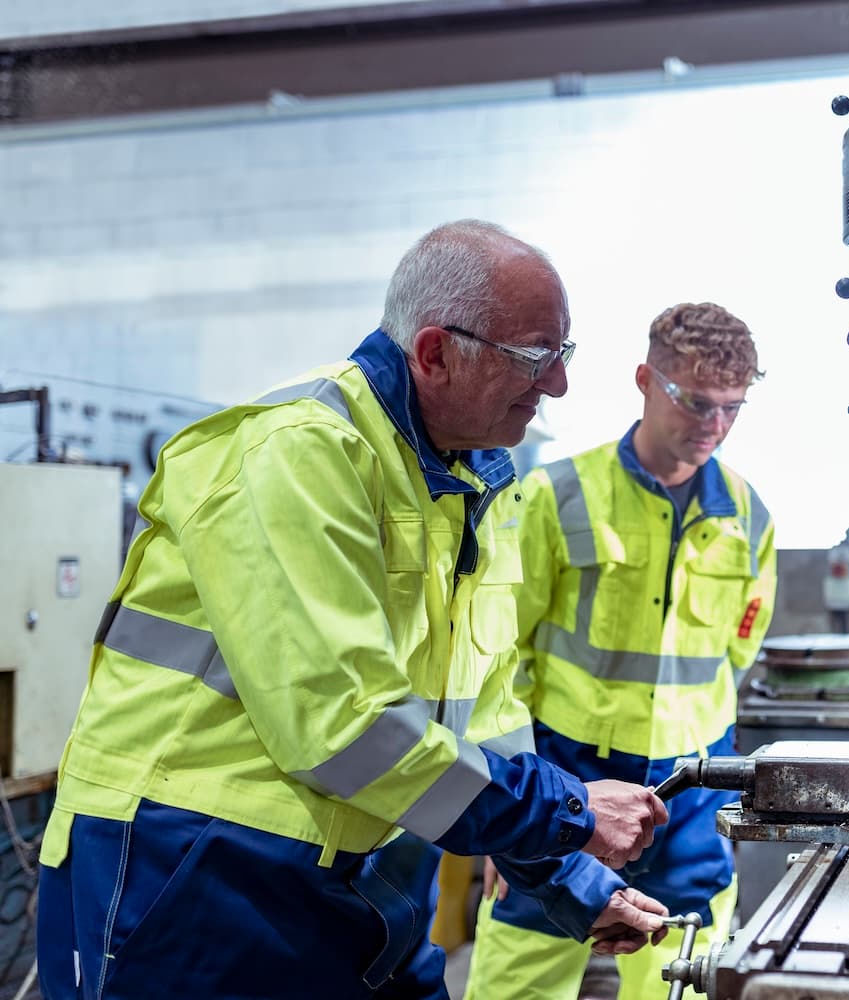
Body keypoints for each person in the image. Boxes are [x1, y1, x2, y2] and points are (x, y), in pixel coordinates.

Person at [36, 220, 671, 1000]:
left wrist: (567, 875)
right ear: (435, 353)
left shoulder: (470, 484)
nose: (559, 385)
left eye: (562, 353)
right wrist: (568, 812)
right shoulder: (300, 450)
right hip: (193, 870)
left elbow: (481, 716)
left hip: (361, 873)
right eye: (535, 357)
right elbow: (343, 727)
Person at [464, 302, 777, 1000]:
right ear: (644, 380)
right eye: (695, 402)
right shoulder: (555, 497)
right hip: (563, 783)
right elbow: (496, 658)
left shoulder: (749, 516)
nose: (714, 425)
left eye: (732, 407)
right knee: (519, 982)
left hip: (691, 797)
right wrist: (503, 810)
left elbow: (738, 651)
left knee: (683, 979)